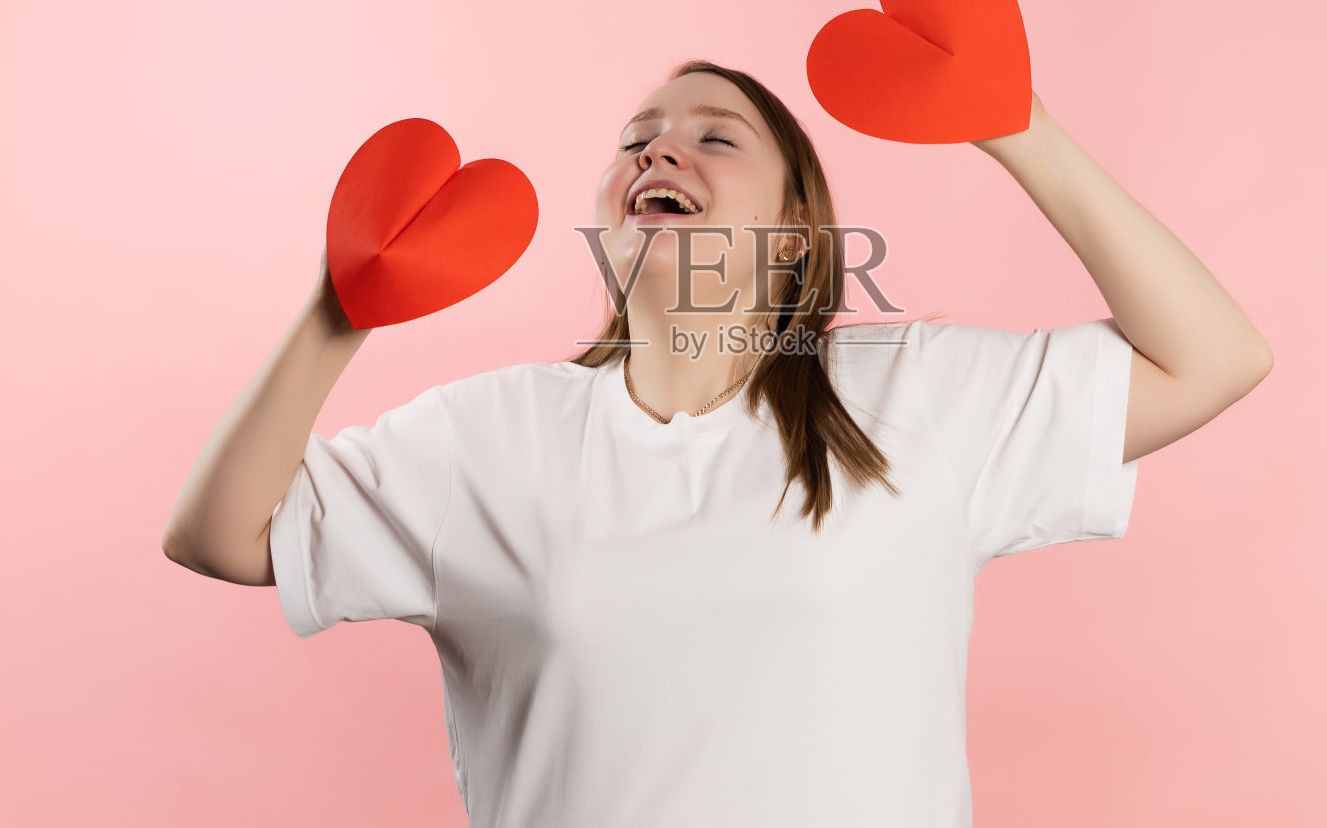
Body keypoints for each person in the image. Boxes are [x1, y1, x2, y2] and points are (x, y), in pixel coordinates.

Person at [162, 59, 1270, 827]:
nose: (661, 150)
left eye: (714, 137)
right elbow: (222, 535)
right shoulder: (485, 435)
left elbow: (1212, 356)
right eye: (636, 140)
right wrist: (336, 312)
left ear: (794, 230)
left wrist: (1014, 122)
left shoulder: (922, 397)